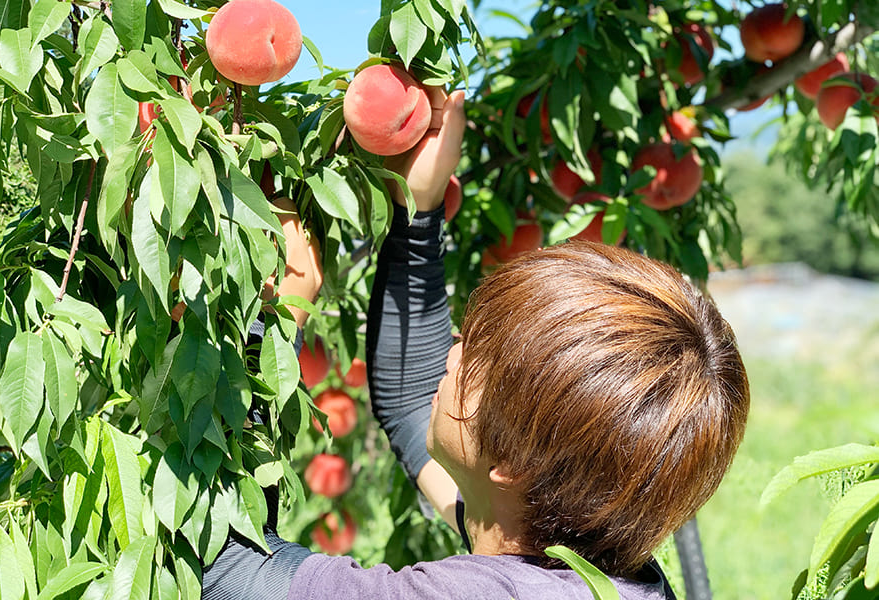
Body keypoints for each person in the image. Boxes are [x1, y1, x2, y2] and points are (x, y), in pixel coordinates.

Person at [201, 86, 750, 599]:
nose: (456, 346)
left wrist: (271, 321)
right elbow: (416, 397)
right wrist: (418, 210)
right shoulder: (588, 557)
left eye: (479, 356)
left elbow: (222, 564)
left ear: (510, 463)